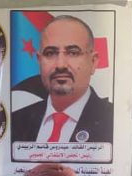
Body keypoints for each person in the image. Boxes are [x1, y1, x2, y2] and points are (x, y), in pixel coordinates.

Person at [11, 15, 113, 144]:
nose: (60, 65)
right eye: (50, 53)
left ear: (93, 62)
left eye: (73, 53)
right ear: (39, 61)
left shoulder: (114, 119)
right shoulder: (15, 121)